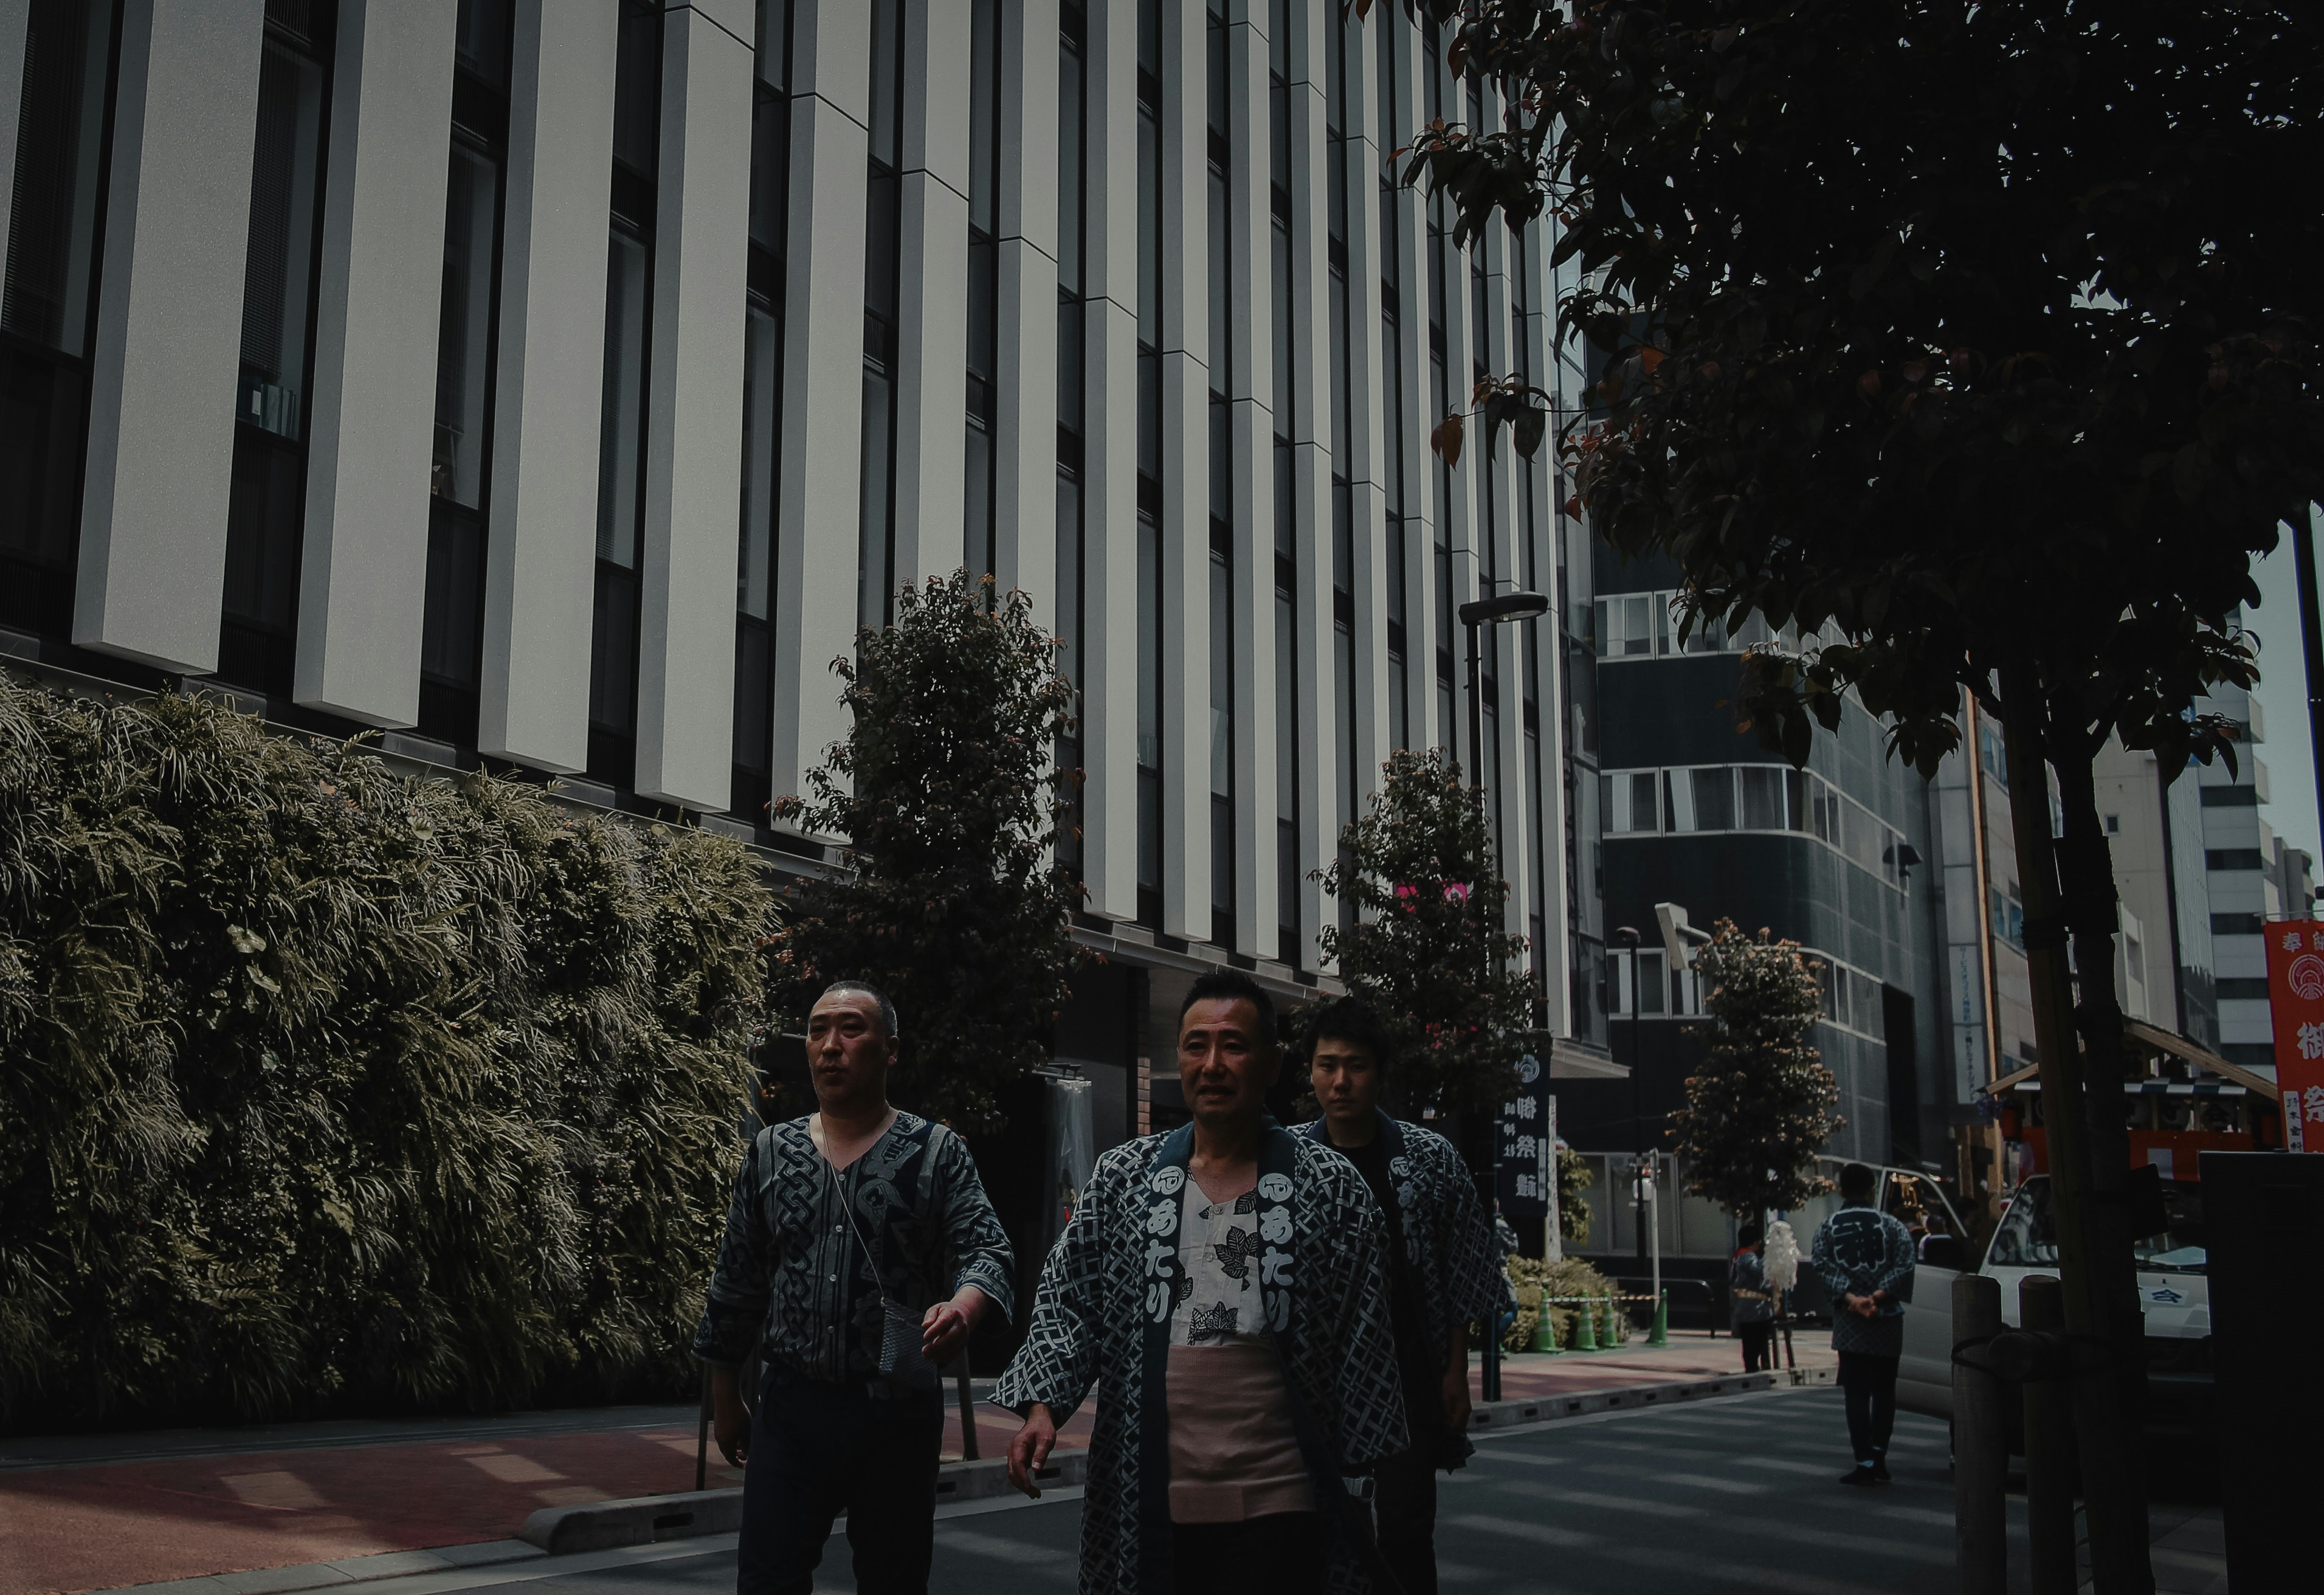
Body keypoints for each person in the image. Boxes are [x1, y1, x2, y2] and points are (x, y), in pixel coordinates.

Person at [997, 969, 1408, 1595]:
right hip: (1147, 1491)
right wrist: (1042, 1405)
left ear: (1272, 1064)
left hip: (1281, 1497)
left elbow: (1363, 1339)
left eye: (1234, 1045)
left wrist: (1359, 1477)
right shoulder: (1123, 1176)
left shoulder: (1333, 1187)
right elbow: (1071, 1302)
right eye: (1196, 1045)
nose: (1212, 1063)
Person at [694, 981, 1015, 1595]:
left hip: (895, 1413)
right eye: (818, 1030)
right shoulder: (770, 1151)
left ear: (890, 1048)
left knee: (893, 1580)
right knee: (766, 1578)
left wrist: (964, 1306)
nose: (830, 1046)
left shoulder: (936, 1152)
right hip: (790, 1407)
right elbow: (736, 1277)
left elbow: (988, 1249)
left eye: (850, 1029)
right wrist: (726, 1392)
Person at [1295, 995, 1509, 1595]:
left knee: (1407, 1531)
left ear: (1380, 1073)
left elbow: (1465, 1264)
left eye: (1356, 1065)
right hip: (1315, 1383)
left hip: (1408, 1379)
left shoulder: (1427, 1159)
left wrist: (1456, 1368)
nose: (1340, 1080)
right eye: (1327, 1064)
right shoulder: (1285, 1161)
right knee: (1319, 1529)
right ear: (1310, 1070)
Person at [1809, 1162, 1916, 1486]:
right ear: (1872, 1190)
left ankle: (1863, 1460)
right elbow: (1906, 1263)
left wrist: (1852, 1300)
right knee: (1884, 1391)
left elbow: (1822, 1264)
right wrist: (1879, 1295)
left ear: (1841, 1190)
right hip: (1886, 1320)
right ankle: (1880, 1457)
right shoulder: (1893, 1226)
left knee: (1856, 1392)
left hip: (1850, 1322)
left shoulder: (1828, 1226)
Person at [1729, 1222, 1774, 1373]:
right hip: (1753, 1309)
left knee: (1754, 1342)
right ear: (1755, 1242)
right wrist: (1771, 1256)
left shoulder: (1740, 1256)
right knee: (1754, 1342)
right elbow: (1759, 1271)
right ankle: (1752, 1369)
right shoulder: (1747, 1256)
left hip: (1751, 1309)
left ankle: (1754, 1367)